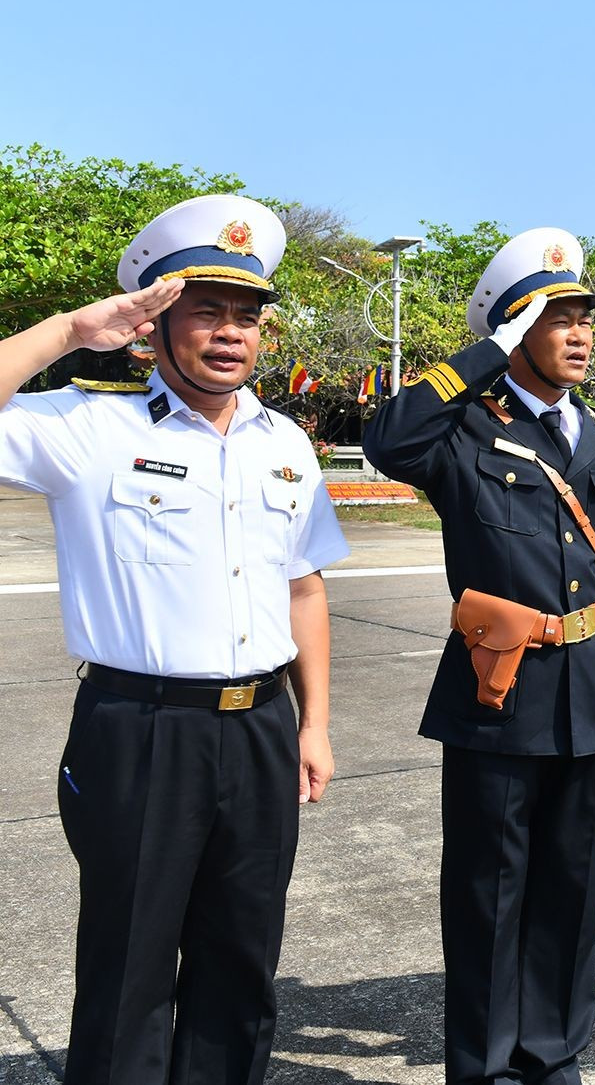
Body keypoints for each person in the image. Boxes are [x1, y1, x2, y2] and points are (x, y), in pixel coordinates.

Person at [0, 195, 345, 1085]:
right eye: (205, 311)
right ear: (154, 323)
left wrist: (314, 725)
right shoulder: (86, 426)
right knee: (130, 968)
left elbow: (304, 586)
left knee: (242, 962)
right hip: (142, 729)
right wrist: (69, 329)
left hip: (262, 728)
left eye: (248, 316)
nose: (231, 334)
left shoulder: (288, 445)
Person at [364, 227, 595, 1085]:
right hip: (498, 696)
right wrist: (484, 349)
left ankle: (552, 1049)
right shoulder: (463, 438)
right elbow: (389, 441)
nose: (579, 336)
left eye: (584, 319)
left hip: (590, 694)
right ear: (514, 329)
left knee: (572, 886)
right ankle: (483, 1065)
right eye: (554, 318)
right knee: (489, 892)